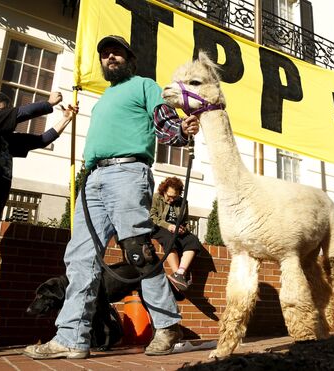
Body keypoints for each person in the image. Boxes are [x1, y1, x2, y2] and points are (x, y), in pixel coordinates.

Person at [23, 35, 200, 359]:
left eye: (116, 52)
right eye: (105, 54)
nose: (110, 57)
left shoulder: (144, 85)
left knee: (137, 253)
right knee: (79, 259)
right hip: (93, 179)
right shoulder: (103, 99)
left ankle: (166, 325)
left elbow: (163, 121)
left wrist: (180, 131)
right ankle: (72, 337)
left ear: (130, 59)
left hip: (127, 173)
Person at [0, 91, 77, 354]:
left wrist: (66, 120)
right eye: (3, 111)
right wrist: (50, 103)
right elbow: (22, 114)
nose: (6, 116)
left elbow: (40, 140)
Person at [150, 177, 202, 292]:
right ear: (164, 191)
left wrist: (184, 229)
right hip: (161, 227)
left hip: (177, 229)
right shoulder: (156, 198)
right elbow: (152, 217)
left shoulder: (183, 202)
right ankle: (176, 274)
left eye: (175, 197)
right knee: (169, 238)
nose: (172, 199)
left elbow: (186, 221)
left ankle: (180, 273)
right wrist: (168, 226)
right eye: (169, 196)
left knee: (193, 240)